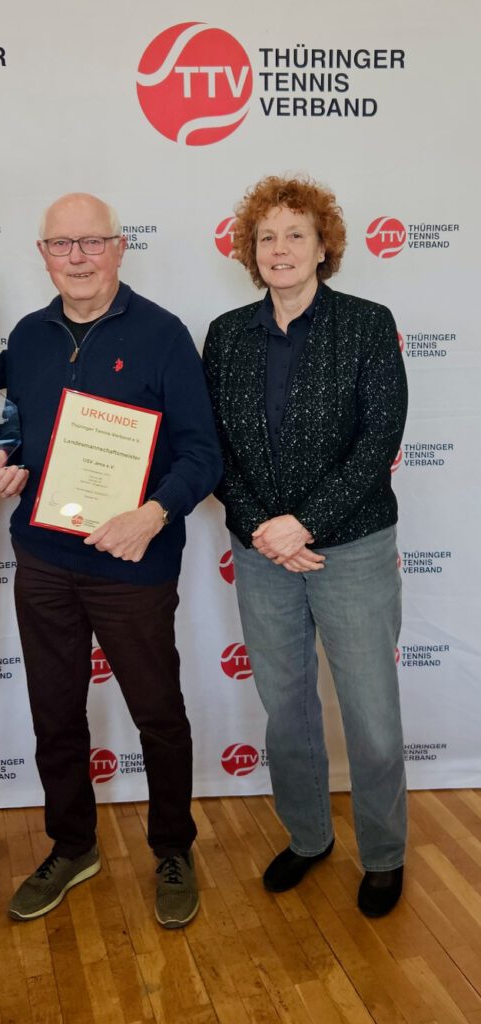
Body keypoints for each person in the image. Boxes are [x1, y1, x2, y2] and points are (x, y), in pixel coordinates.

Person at [0, 192, 222, 929]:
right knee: (55, 713)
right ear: (43, 254)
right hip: (44, 560)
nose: (78, 257)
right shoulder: (29, 337)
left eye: (92, 242)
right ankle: (72, 845)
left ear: (120, 248)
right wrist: (7, 466)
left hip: (133, 563)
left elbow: (202, 453)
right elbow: (21, 436)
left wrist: (153, 514)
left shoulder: (162, 334)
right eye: (62, 244)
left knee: (158, 714)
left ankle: (173, 849)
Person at [203, 176, 408, 918]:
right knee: (286, 711)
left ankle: (383, 855)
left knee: (371, 717)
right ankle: (309, 836)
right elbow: (213, 446)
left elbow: (378, 440)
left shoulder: (366, 324)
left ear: (324, 247)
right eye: (267, 237)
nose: (280, 249)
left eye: (296, 234)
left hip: (350, 549)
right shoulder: (227, 334)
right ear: (250, 252)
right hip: (262, 553)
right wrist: (266, 528)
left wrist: (304, 524)